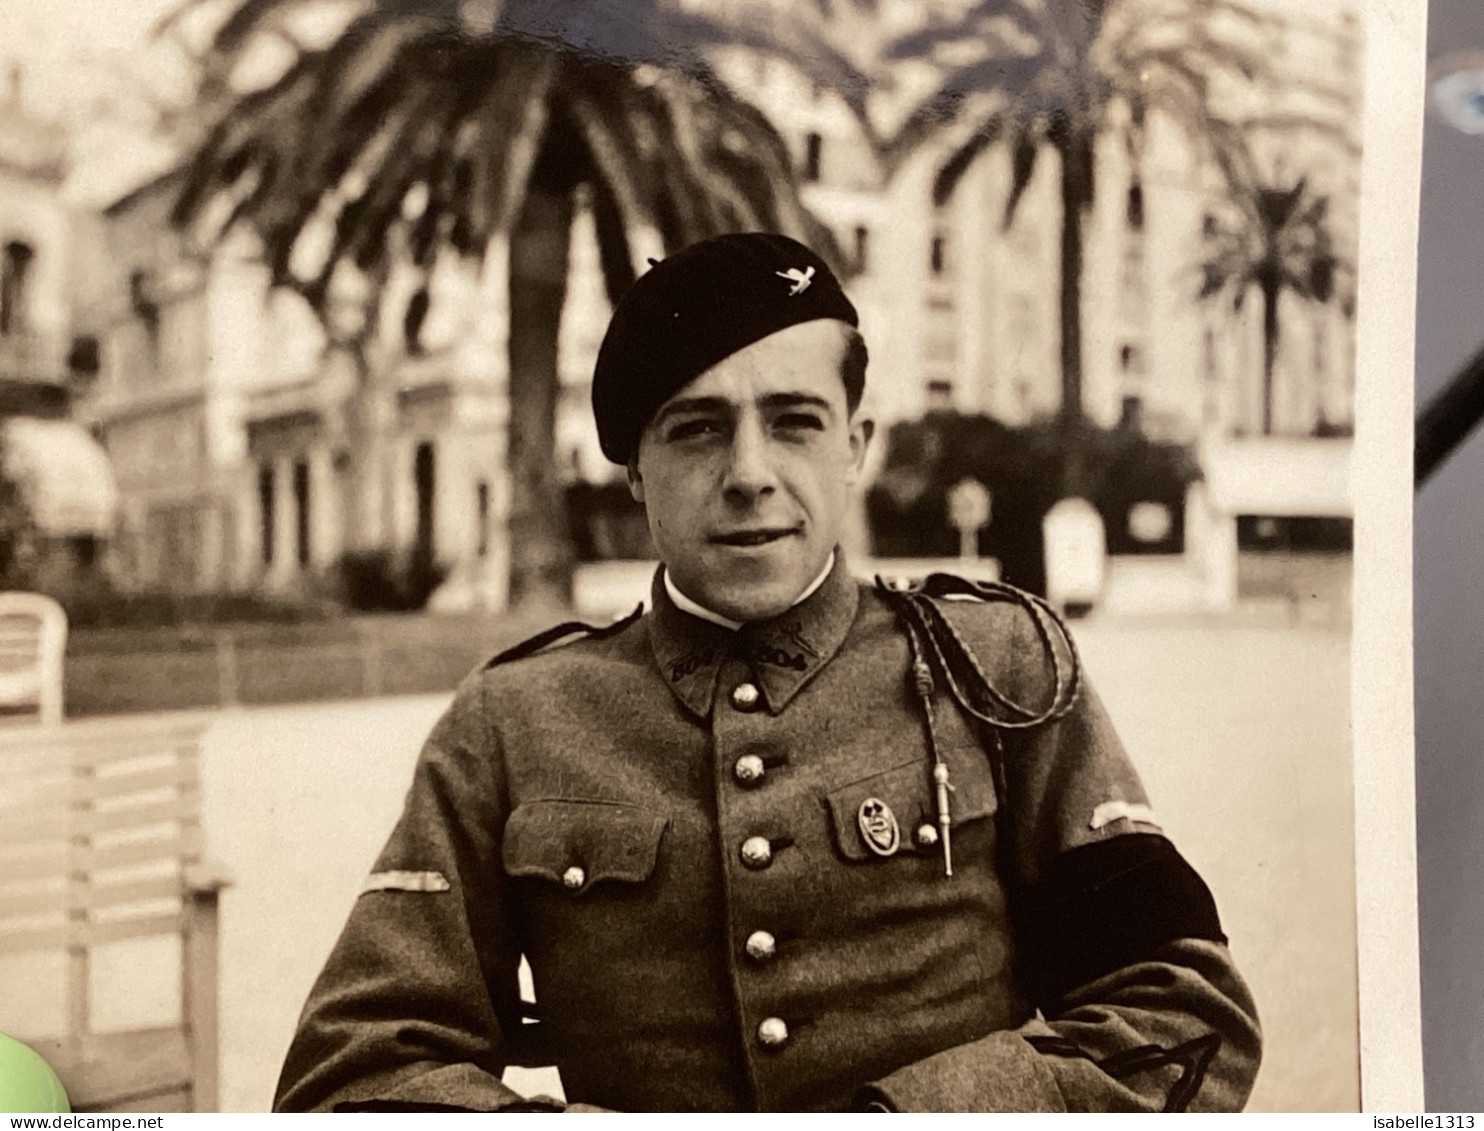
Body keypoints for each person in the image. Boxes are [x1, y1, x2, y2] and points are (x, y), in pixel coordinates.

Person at [274, 233, 1261, 1113]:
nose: (748, 470)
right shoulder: (512, 722)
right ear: (635, 476)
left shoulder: (994, 670)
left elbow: (1176, 1008)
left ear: (853, 449)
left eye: (792, 421)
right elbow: (351, 1074)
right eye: (695, 429)